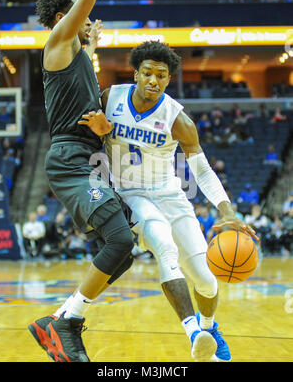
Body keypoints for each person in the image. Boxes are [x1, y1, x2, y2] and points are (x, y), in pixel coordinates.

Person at [80, 41, 258, 362]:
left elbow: (201, 171)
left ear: (168, 79)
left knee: (206, 279)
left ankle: (209, 328)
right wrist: (101, 134)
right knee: (163, 244)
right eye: (147, 72)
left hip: (171, 195)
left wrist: (227, 210)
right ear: (136, 73)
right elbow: (86, 132)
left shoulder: (178, 119)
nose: (153, 80)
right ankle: (194, 333)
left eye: (161, 76)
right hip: (131, 193)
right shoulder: (110, 98)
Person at [28, 0, 135, 363]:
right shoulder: (57, 42)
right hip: (70, 157)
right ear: (64, 19)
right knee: (121, 240)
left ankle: (58, 319)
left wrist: (94, 46)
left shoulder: (79, 58)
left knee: (124, 256)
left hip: (90, 157)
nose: (87, 24)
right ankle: (67, 323)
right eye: (83, 20)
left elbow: (86, 72)